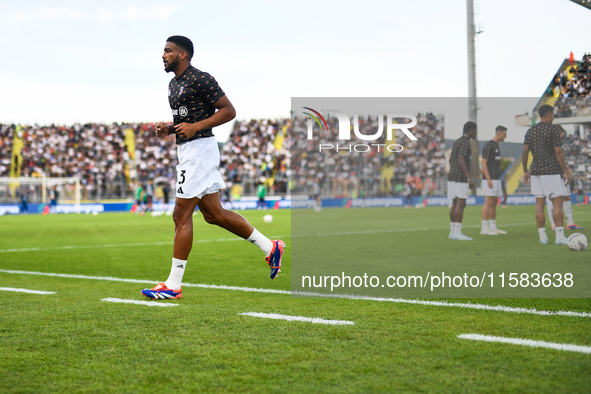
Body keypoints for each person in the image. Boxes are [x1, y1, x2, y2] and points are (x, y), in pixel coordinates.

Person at [142, 36, 284, 300]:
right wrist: (170, 129)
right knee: (214, 214)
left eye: (168, 51)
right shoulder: (174, 84)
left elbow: (229, 111)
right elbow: (189, 118)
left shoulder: (201, 78)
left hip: (199, 150)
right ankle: (270, 246)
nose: (163, 55)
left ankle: (173, 285)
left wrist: (195, 127)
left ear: (182, 55)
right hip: (187, 150)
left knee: (180, 215)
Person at [522, 105, 569, 245]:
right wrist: (565, 171)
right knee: (557, 203)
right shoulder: (553, 129)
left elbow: (524, 152)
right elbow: (558, 151)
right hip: (552, 171)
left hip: (535, 171)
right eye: (553, 114)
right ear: (549, 115)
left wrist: (525, 171)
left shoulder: (531, 130)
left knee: (539, 204)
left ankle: (542, 237)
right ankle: (560, 237)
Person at [448, 121, 477, 240]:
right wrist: (468, 177)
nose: (476, 133)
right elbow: (461, 160)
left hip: (452, 176)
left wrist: (453, 170)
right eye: (475, 130)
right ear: (470, 130)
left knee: (455, 203)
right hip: (460, 178)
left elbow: (451, 159)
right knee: (461, 204)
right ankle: (458, 233)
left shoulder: (457, 141)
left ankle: (452, 232)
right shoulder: (466, 143)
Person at [480, 126, 508, 235]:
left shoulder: (496, 145)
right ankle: (484, 228)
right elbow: (483, 163)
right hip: (490, 179)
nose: (505, 136)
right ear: (498, 133)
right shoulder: (489, 145)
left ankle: (493, 227)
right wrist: (488, 179)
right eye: (504, 134)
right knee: (488, 202)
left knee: (494, 203)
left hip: (496, 179)